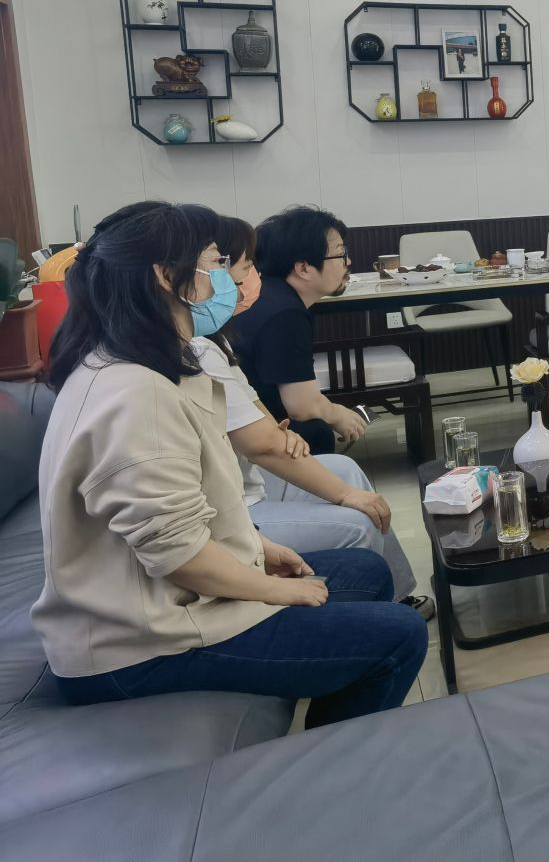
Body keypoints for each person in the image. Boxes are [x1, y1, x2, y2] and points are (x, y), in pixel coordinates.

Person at [33, 201, 426, 726]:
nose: (228, 279)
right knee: (401, 635)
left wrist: (257, 549)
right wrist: (272, 589)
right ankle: (330, 761)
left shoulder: (147, 361)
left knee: (367, 572)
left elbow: (187, 508)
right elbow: (175, 551)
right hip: (141, 643)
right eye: (216, 262)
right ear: (166, 277)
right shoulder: (134, 392)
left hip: (170, 599)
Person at [188, 213, 429, 617]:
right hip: (231, 496)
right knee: (355, 514)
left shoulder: (218, 338)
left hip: (243, 471)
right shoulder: (263, 319)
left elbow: (257, 409)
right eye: (241, 267)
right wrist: (339, 479)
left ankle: (397, 595)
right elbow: (281, 425)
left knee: (344, 469)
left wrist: (277, 433)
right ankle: (371, 612)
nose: (252, 279)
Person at [235, 204, 365, 456]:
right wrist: (338, 415)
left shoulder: (268, 295)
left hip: (245, 419)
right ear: (303, 268)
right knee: (315, 431)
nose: (348, 262)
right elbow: (301, 406)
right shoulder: (285, 313)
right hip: (248, 433)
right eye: (340, 254)